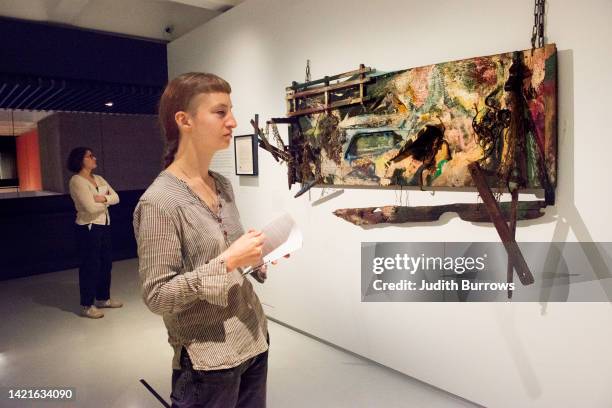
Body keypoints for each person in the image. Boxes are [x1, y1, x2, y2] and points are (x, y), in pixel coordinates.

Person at [133, 72, 277, 408]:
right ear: (184, 120)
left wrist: (257, 260)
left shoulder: (222, 185)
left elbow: (233, 255)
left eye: (231, 111)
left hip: (254, 340)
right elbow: (158, 296)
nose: (233, 121)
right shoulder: (160, 202)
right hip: (209, 361)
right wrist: (228, 261)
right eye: (220, 112)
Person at [67, 147, 122, 319]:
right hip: (88, 227)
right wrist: (106, 203)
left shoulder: (98, 178)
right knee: (90, 266)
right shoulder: (77, 181)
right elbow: (89, 208)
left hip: (104, 225)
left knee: (106, 263)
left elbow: (116, 197)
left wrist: (103, 199)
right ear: (80, 160)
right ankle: (87, 304)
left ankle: (103, 298)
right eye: (90, 156)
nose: (94, 158)